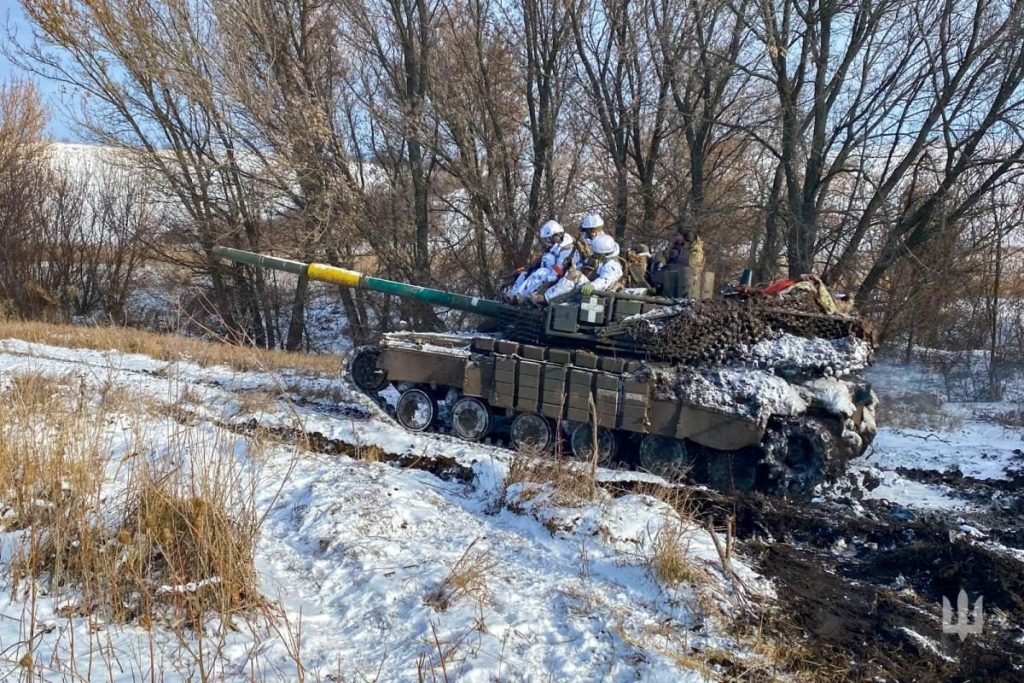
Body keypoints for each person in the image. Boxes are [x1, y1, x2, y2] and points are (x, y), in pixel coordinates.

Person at [542, 233, 624, 302]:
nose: (594, 255)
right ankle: (548, 297)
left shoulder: (613, 264)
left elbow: (606, 280)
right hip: (592, 289)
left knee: (575, 275)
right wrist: (570, 265)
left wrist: (594, 286)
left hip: (599, 294)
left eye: (596, 253)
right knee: (571, 273)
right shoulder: (600, 261)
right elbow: (580, 268)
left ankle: (545, 299)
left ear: (604, 254)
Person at [505, 219, 577, 299]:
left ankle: (522, 296)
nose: (548, 242)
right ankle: (513, 293)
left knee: (541, 272)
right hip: (547, 275)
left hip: (555, 279)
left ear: (557, 236)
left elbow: (562, 272)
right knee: (525, 273)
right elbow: (537, 264)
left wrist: (552, 265)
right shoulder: (553, 249)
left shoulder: (568, 250)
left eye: (549, 239)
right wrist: (524, 269)